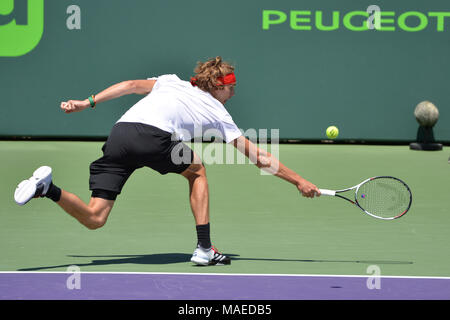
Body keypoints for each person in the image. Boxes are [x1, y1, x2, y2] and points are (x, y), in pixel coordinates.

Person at [14, 56, 320, 266]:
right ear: (218, 87)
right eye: (231, 88)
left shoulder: (170, 81)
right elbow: (260, 158)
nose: (233, 94)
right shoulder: (219, 113)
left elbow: (130, 86)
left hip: (120, 133)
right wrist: (299, 181)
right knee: (198, 171)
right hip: (152, 136)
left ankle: (47, 189)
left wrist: (87, 102)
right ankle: (204, 249)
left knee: (95, 218)